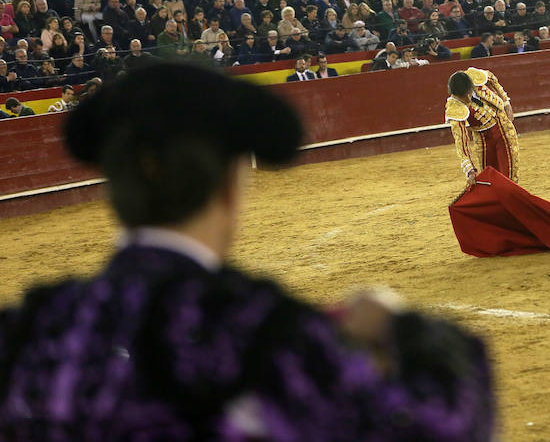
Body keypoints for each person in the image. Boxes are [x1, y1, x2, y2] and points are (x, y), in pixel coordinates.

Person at [0, 63, 494, 439]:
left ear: (115, 185)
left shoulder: (27, 333)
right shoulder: (272, 334)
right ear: (231, 189)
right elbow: (445, 421)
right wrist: (401, 327)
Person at [445, 67, 519, 187]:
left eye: (469, 93)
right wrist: (470, 171)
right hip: (482, 139)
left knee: (509, 176)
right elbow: (461, 143)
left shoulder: (474, 76)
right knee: (489, 180)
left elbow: (492, 78)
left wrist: (506, 102)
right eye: (464, 97)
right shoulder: (454, 109)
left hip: (502, 126)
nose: (469, 98)